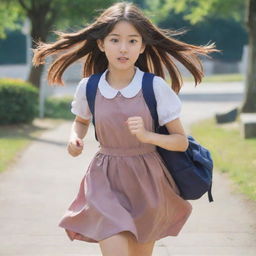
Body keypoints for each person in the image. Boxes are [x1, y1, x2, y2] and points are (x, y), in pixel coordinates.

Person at [32, 2, 218, 256]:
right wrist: (75, 139)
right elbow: (81, 121)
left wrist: (147, 136)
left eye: (132, 41)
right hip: (104, 178)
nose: (123, 48)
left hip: (148, 181)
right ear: (101, 44)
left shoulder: (155, 87)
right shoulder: (90, 87)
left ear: (142, 46)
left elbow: (180, 142)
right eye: (115, 40)